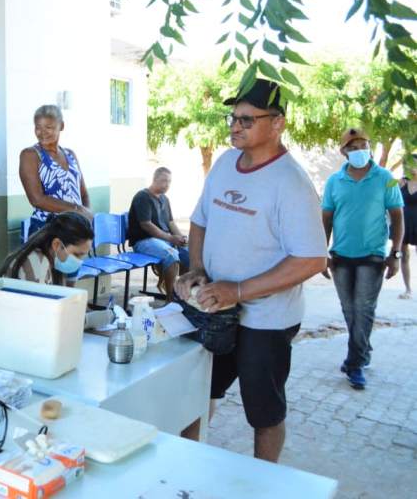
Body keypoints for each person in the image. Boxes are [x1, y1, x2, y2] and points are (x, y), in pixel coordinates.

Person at [176, 79, 326, 463]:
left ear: (277, 123)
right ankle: (184, 466)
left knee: (264, 412)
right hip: (215, 310)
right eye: (233, 118)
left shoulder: (291, 183)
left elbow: (312, 259)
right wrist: (197, 269)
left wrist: (239, 290)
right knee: (197, 394)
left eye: (247, 119)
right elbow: (199, 221)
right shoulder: (225, 164)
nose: (235, 126)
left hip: (268, 322)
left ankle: (266, 480)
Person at [321, 128, 404, 390]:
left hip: (372, 255)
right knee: (349, 309)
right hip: (341, 256)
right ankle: (362, 351)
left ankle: (354, 363)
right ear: (344, 152)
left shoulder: (386, 179)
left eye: (364, 146)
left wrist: (396, 253)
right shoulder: (334, 181)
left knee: (364, 308)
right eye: (353, 147)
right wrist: (322, 253)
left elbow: (398, 216)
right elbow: (326, 218)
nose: (360, 151)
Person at [19, 104, 92, 237]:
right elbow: (36, 199)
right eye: (38, 127)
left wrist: (85, 217)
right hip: (47, 230)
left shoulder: (70, 154)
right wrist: (78, 210)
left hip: (74, 229)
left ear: (61, 126)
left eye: (49, 127)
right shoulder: (30, 155)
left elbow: (83, 194)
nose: (42, 132)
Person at [127, 167, 189, 298]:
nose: (167, 185)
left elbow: (171, 222)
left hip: (163, 240)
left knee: (188, 253)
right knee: (171, 255)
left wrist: (181, 238)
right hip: (144, 241)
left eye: (169, 181)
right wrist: (171, 238)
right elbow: (146, 224)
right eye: (164, 181)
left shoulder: (165, 199)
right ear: (154, 179)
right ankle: (170, 298)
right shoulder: (142, 197)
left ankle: (183, 294)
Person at [0, 212, 94, 285]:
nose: (79, 261)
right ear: (56, 244)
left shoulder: (54, 262)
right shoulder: (37, 264)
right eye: (76, 254)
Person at [398, 155, 417, 300]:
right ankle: (408, 289)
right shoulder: (401, 183)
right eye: (409, 164)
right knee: (404, 255)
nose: (411, 167)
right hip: (404, 223)